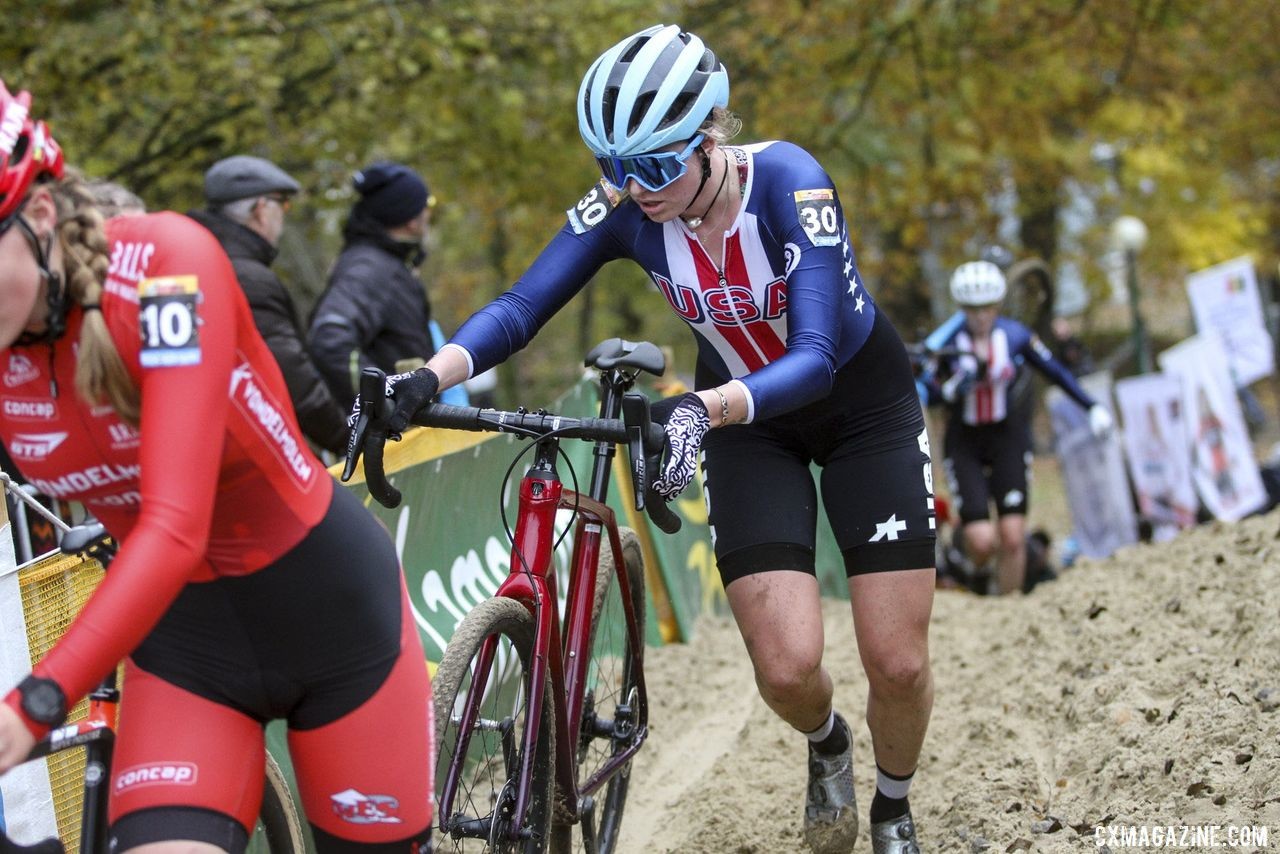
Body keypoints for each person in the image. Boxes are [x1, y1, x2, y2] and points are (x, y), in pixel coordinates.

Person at [361, 25, 935, 854]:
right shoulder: (630, 203)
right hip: (749, 425)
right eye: (613, 167)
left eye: (657, 166)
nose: (634, 188)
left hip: (860, 408)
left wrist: (704, 409)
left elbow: (813, 357)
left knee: (899, 663)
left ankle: (892, 805)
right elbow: (522, 309)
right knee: (786, 668)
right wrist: (427, 378)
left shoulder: (790, 184)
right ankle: (829, 742)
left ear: (713, 139)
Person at [0, 82, 432, 853]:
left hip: (333, 623)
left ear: (36, 218)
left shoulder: (164, 264)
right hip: (187, 653)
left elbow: (174, 523)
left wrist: (35, 702)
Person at [926, 261, 1113, 596]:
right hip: (965, 439)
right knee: (982, 540)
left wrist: (1091, 406)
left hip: (1007, 436)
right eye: (971, 309)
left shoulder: (1015, 337)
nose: (980, 316)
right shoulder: (947, 343)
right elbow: (927, 390)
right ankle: (972, 570)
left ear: (997, 305)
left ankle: (1007, 606)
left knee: (1012, 536)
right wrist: (948, 390)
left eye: (986, 308)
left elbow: (1055, 371)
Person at [189, 155, 349, 456]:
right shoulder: (249, 279)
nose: (283, 218)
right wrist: (350, 439)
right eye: (283, 205)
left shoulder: (197, 264)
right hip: (249, 454)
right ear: (261, 210)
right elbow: (294, 382)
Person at [308, 161, 465, 410]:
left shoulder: (381, 265)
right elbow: (330, 341)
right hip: (390, 441)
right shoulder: (371, 270)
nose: (429, 212)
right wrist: (383, 401)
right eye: (428, 203)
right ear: (410, 219)